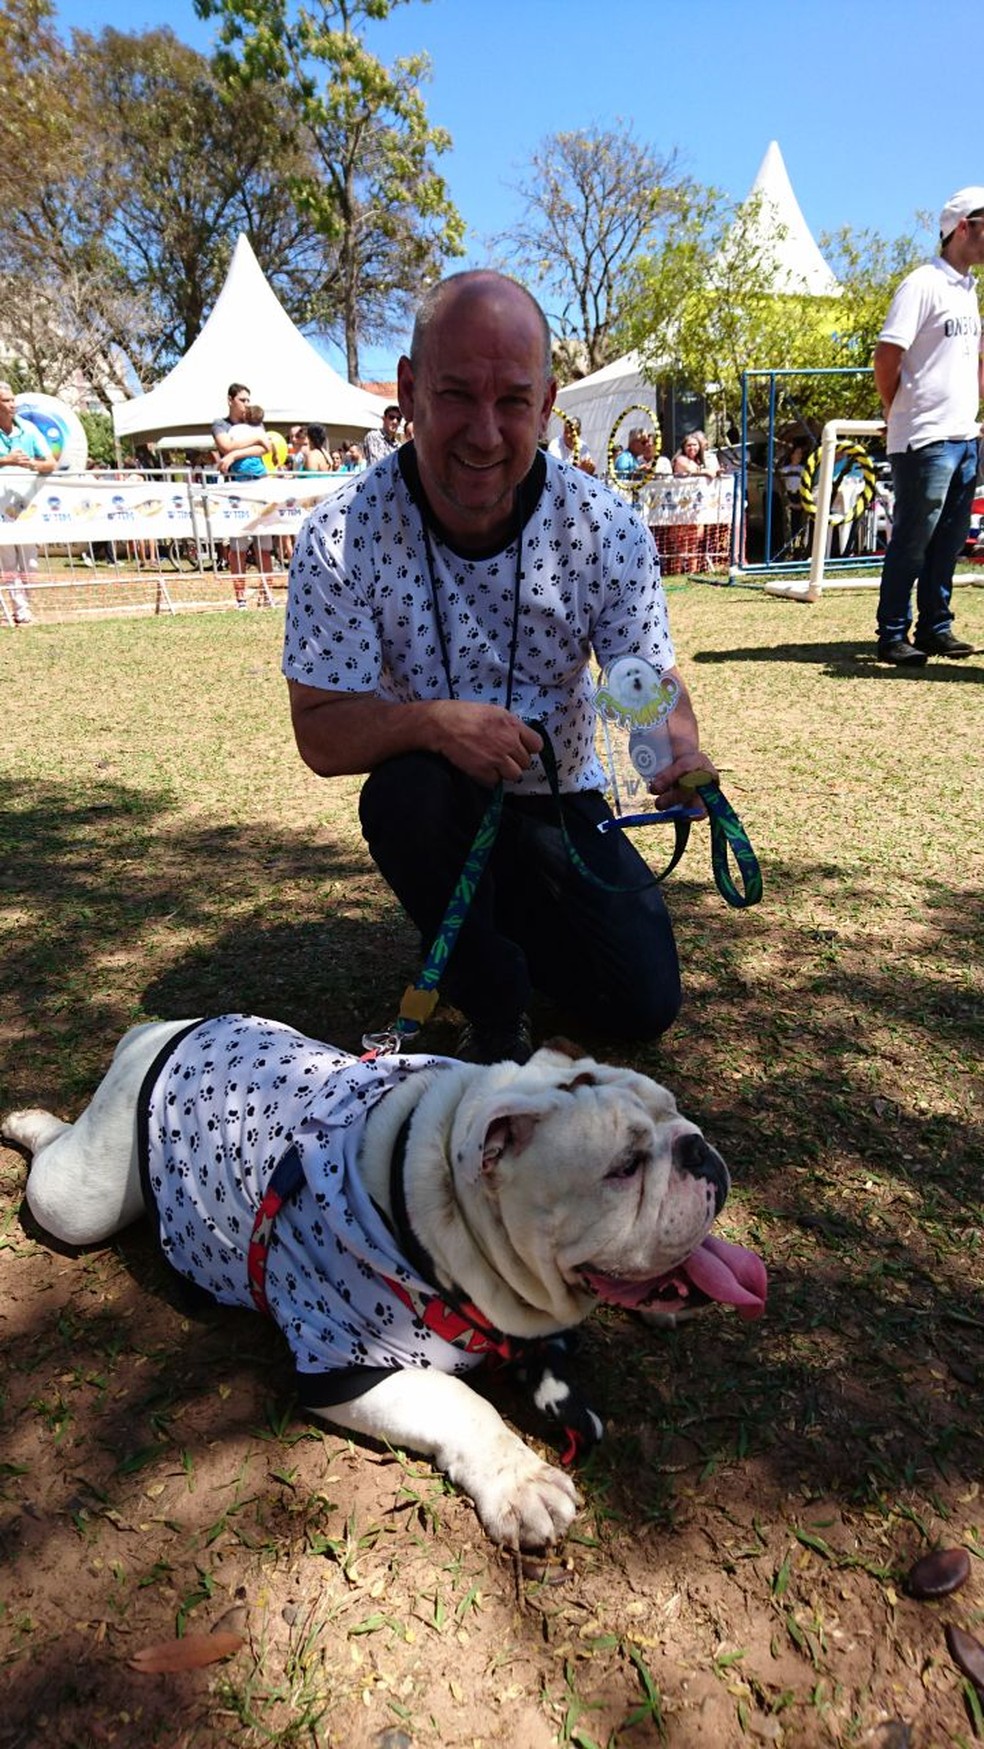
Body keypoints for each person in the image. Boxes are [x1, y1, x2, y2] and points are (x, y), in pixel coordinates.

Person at [283, 270, 718, 1065]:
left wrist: (672, 755)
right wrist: (436, 725)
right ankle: (490, 993)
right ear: (410, 392)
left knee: (642, 1000)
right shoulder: (341, 531)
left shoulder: (604, 525)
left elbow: (638, 680)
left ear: (548, 404)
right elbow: (320, 731)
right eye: (456, 395)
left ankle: (482, 920)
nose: (485, 433)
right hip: (435, 802)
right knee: (404, 794)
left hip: (558, 800)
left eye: (513, 401)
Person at [874, 186, 984, 666]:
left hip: (964, 434)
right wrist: (896, 406)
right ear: (964, 227)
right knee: (913, 538)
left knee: (950, 540)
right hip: (925, 436)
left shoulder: (966, 289)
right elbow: (887, 354)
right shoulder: (922, 283)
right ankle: (893, 632)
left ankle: (935, 627)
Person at [212, 382, 275, 607]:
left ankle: (267, 594)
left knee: (264, 547)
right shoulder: (220, 424)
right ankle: (240, 598)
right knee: (237, 548)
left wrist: (233, 455)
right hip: (236, 490)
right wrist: (252, 441)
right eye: (242, 400)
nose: (246, 404)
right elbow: (225, 445)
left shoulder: (255, 422)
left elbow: (264, 447)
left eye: (248, 400)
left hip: (259, 486)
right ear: (230, 400)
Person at [0, 380, 55, 625]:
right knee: (8, 562)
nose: (12, 405)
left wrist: (32, 464)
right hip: (1, 509)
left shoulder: (30, 429)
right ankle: (20, 610)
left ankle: (25, 603)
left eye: (13, 400)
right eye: (6, 401)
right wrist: (7, 461)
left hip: (27, 507)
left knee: (30, 564)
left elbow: (50, 463)